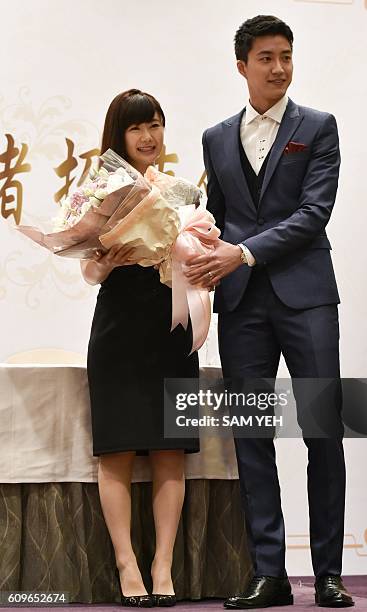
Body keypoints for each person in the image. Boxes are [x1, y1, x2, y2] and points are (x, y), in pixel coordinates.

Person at [186, 15, 354, 609]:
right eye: (266, 57)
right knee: (253, 437)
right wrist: (188, 241)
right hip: (241, 309)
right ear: (242, 66)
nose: (279, 67)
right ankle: (269, 574)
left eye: (286, 55)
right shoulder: (215, 137)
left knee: (321, 431)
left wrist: (243, 252)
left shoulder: (319, 128)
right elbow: (219, 216)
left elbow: (314, 214)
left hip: (306, 299)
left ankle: (329, 573)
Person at [81, 89, 199, 608]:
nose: (148, 137)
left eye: (155, 125)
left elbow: (198, 255)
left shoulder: (181, 191)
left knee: (172, 448)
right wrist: (106, 258)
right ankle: (128, 567)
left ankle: (163, 566)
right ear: (118, 136)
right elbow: (88, 270)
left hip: (171, 326)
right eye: (136, 128)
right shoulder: (98, 189)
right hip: (118, 327)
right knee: (117, 448)